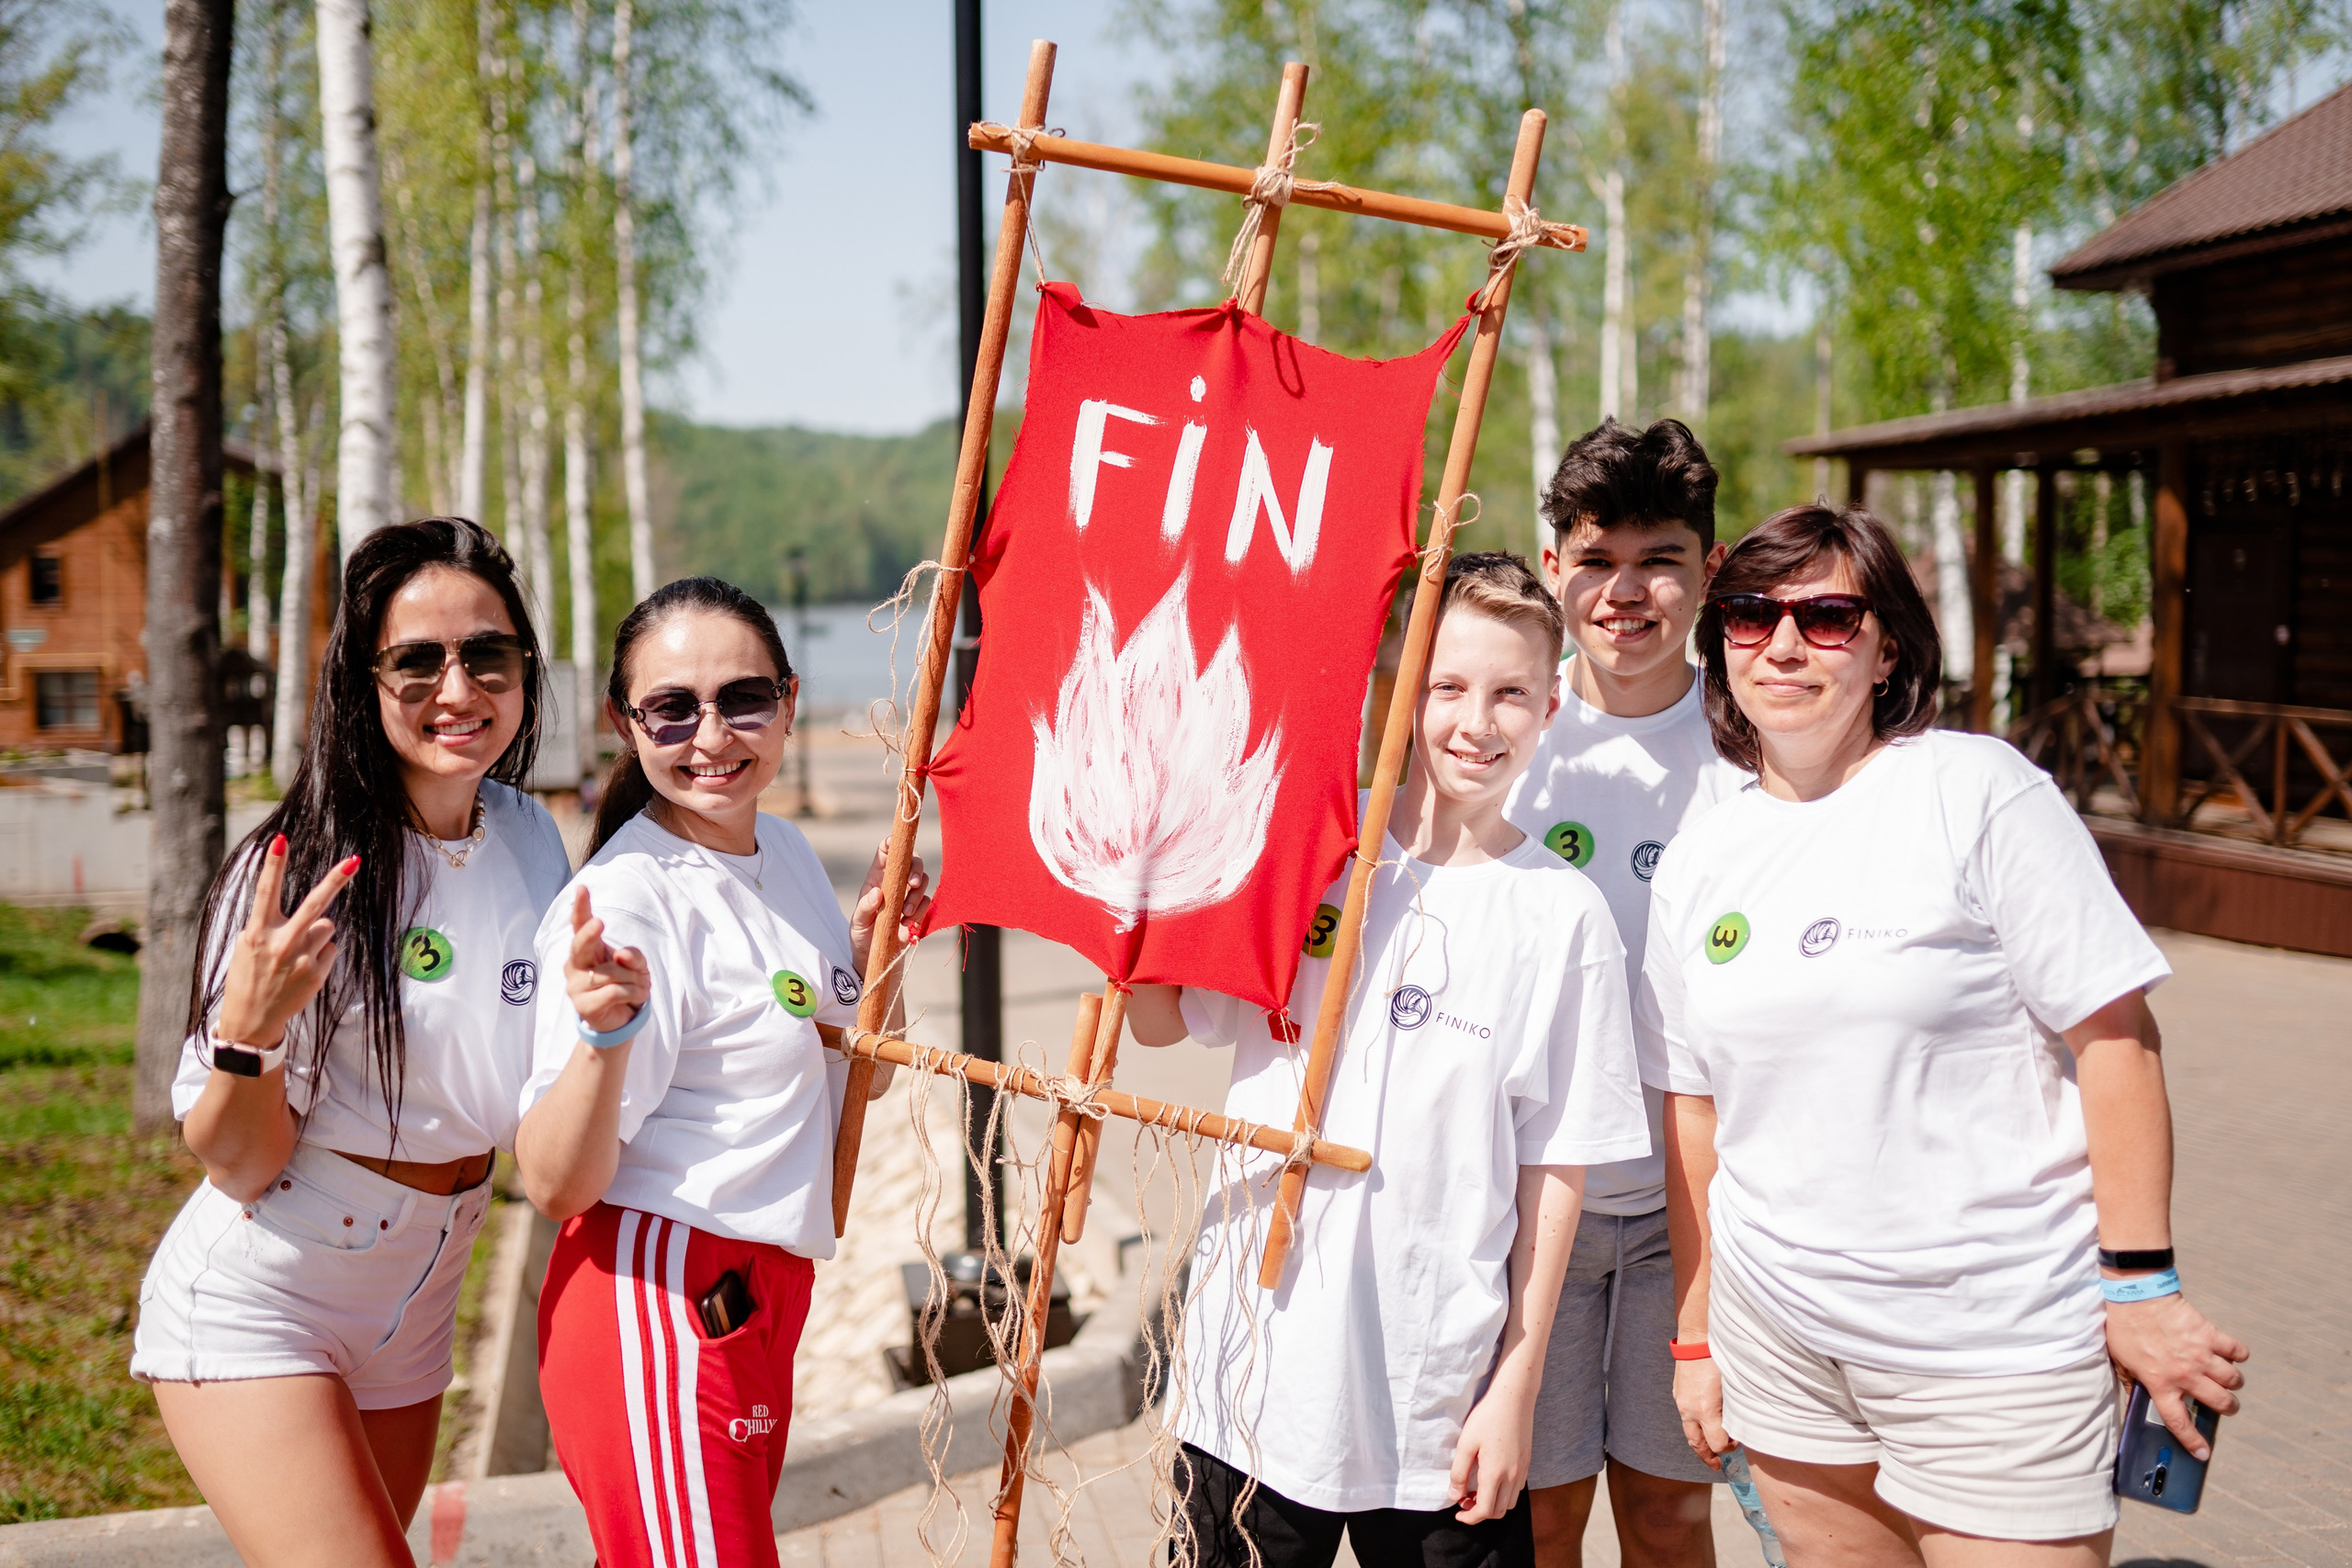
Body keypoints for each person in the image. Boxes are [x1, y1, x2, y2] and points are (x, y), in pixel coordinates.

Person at [1645, 503, 2249, 1564]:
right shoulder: (1702, 852)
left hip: (1993, 1347)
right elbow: (1693, 1111)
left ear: (1886, 650)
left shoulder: (1975, 792)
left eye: (1827, 617)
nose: (1783, 645)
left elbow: (2115, 1038)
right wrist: (1698, 1337)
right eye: (1750, 615)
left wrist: (2141, 1282)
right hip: (1783, 1347)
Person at [1126, 552, 1651, 1568]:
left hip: (1438, 1404)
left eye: (1509, 693)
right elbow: (1156, 1022)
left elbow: (1556, 1173)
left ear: (1551, 707)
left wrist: (1516, 1389)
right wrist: (1144, 879)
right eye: (1447, 686)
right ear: (1401, 691)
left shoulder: (1561, 914)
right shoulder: (1297, 857)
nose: (1476, 721)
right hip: (1250, 1384)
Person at [132, 517, 571, 1567]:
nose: (456, 689)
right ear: (360, 683)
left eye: (487, 656)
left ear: (523, 671)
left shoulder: (529, 834)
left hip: (421, 1308)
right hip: (268, 1298)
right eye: (416, 660)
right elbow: (239, 1163)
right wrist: (248, 1036)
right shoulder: (298, 869)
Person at [514, 576, 926, 1568]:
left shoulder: (779, 852)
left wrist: (880, 957)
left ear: (786, 702)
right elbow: (553, 1184)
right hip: (659, 1295)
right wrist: (604, 1038)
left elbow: (861, 1079)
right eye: (672, 708)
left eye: (742, 700)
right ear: (626, 722)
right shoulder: (629, 899)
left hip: (758, 1299)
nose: (712, 737)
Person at [1503, 418, 1743, 1567]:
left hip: (1691, 1216)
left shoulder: (1754, 747)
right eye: (1595, 560)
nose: (1624, 591)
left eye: (1660, 558)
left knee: (1666, 1513)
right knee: (1534, 1516)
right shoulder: (1504, 729)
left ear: (1708, 566)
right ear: (1553, 566)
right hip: (1515, 1211)